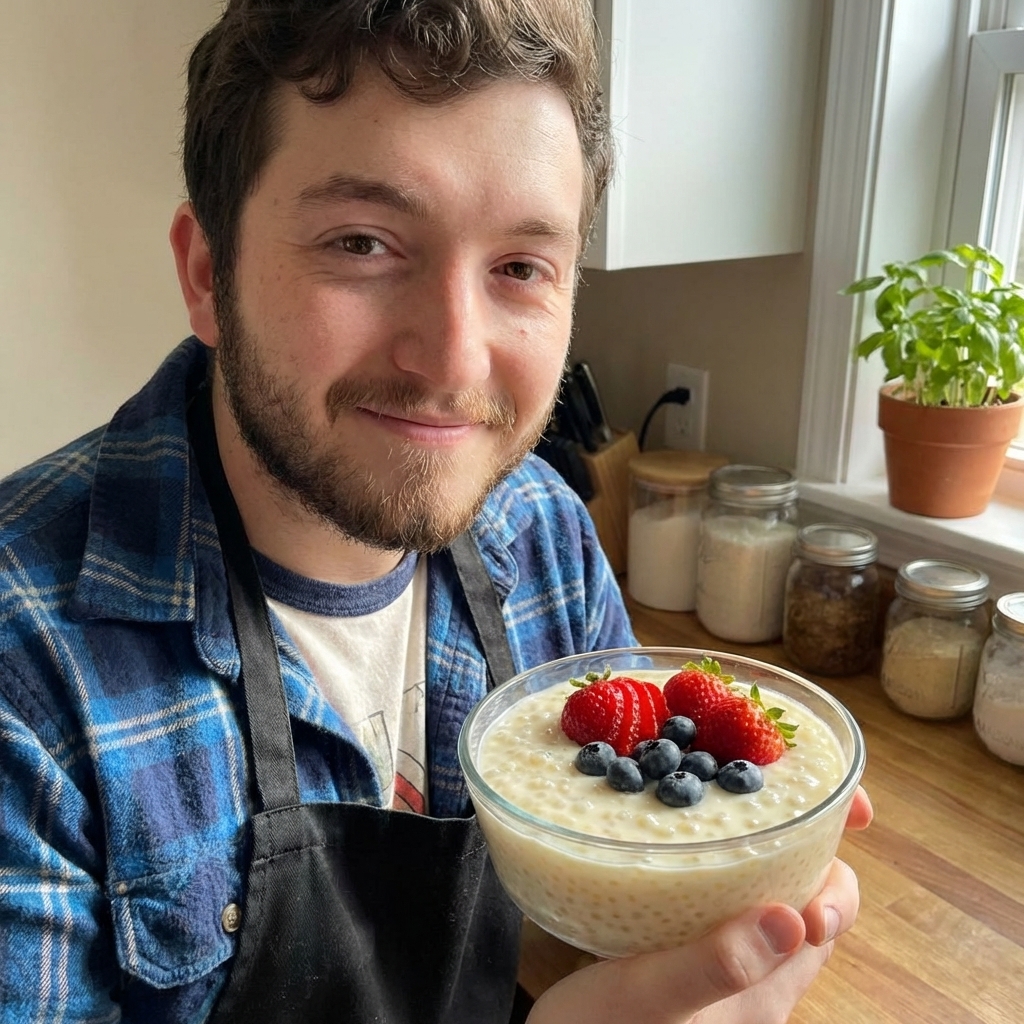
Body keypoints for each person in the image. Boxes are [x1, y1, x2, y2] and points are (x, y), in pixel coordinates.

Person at [0, 1, 871, 1021]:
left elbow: (599, 893)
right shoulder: (27, 664)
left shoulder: (542, 532)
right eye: (364, 243)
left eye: (519, 268)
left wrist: (703, 931)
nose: (453, 359)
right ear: (206, 273)